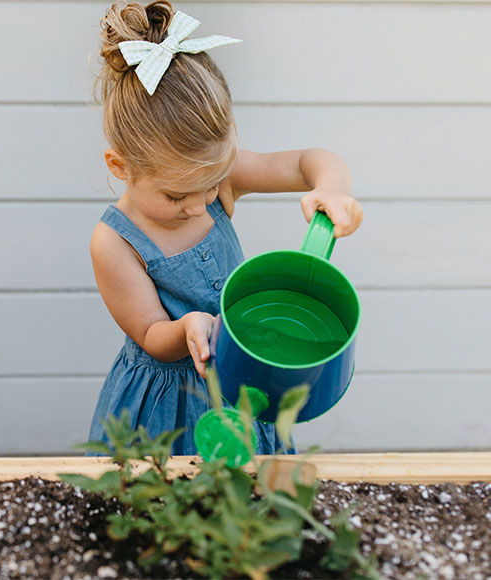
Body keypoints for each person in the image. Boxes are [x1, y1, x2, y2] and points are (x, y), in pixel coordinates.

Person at [86, 1, 364, 456]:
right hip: (171, 401)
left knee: (246, 501)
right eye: (177, 196)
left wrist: (333, 189)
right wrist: (187, 327)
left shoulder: (218, 179)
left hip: (242, 378)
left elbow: (310, 161)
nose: (199, 206)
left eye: (211, 185)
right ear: (120, 166)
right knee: (165, 507)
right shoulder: (115, 242)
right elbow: (152, 335)